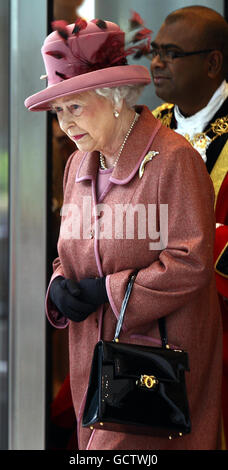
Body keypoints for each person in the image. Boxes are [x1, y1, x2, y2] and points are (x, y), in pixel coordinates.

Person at [25, 18, 223, 450]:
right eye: (59, 111)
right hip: (93, 369)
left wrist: (108, 291)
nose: (64, 124)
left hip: (153, 370)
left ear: (114, 98)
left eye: (74, 107)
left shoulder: (174, 160)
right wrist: (59, 284)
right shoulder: (78, 163)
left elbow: (191, 263)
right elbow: (72, 252)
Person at [150, 5, 228, 445]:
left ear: (212, 62)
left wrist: (188, 244)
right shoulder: (146, 127)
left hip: (217, 324)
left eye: (172, 53)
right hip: (144, 319)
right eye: (155, 50)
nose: (157, 62)